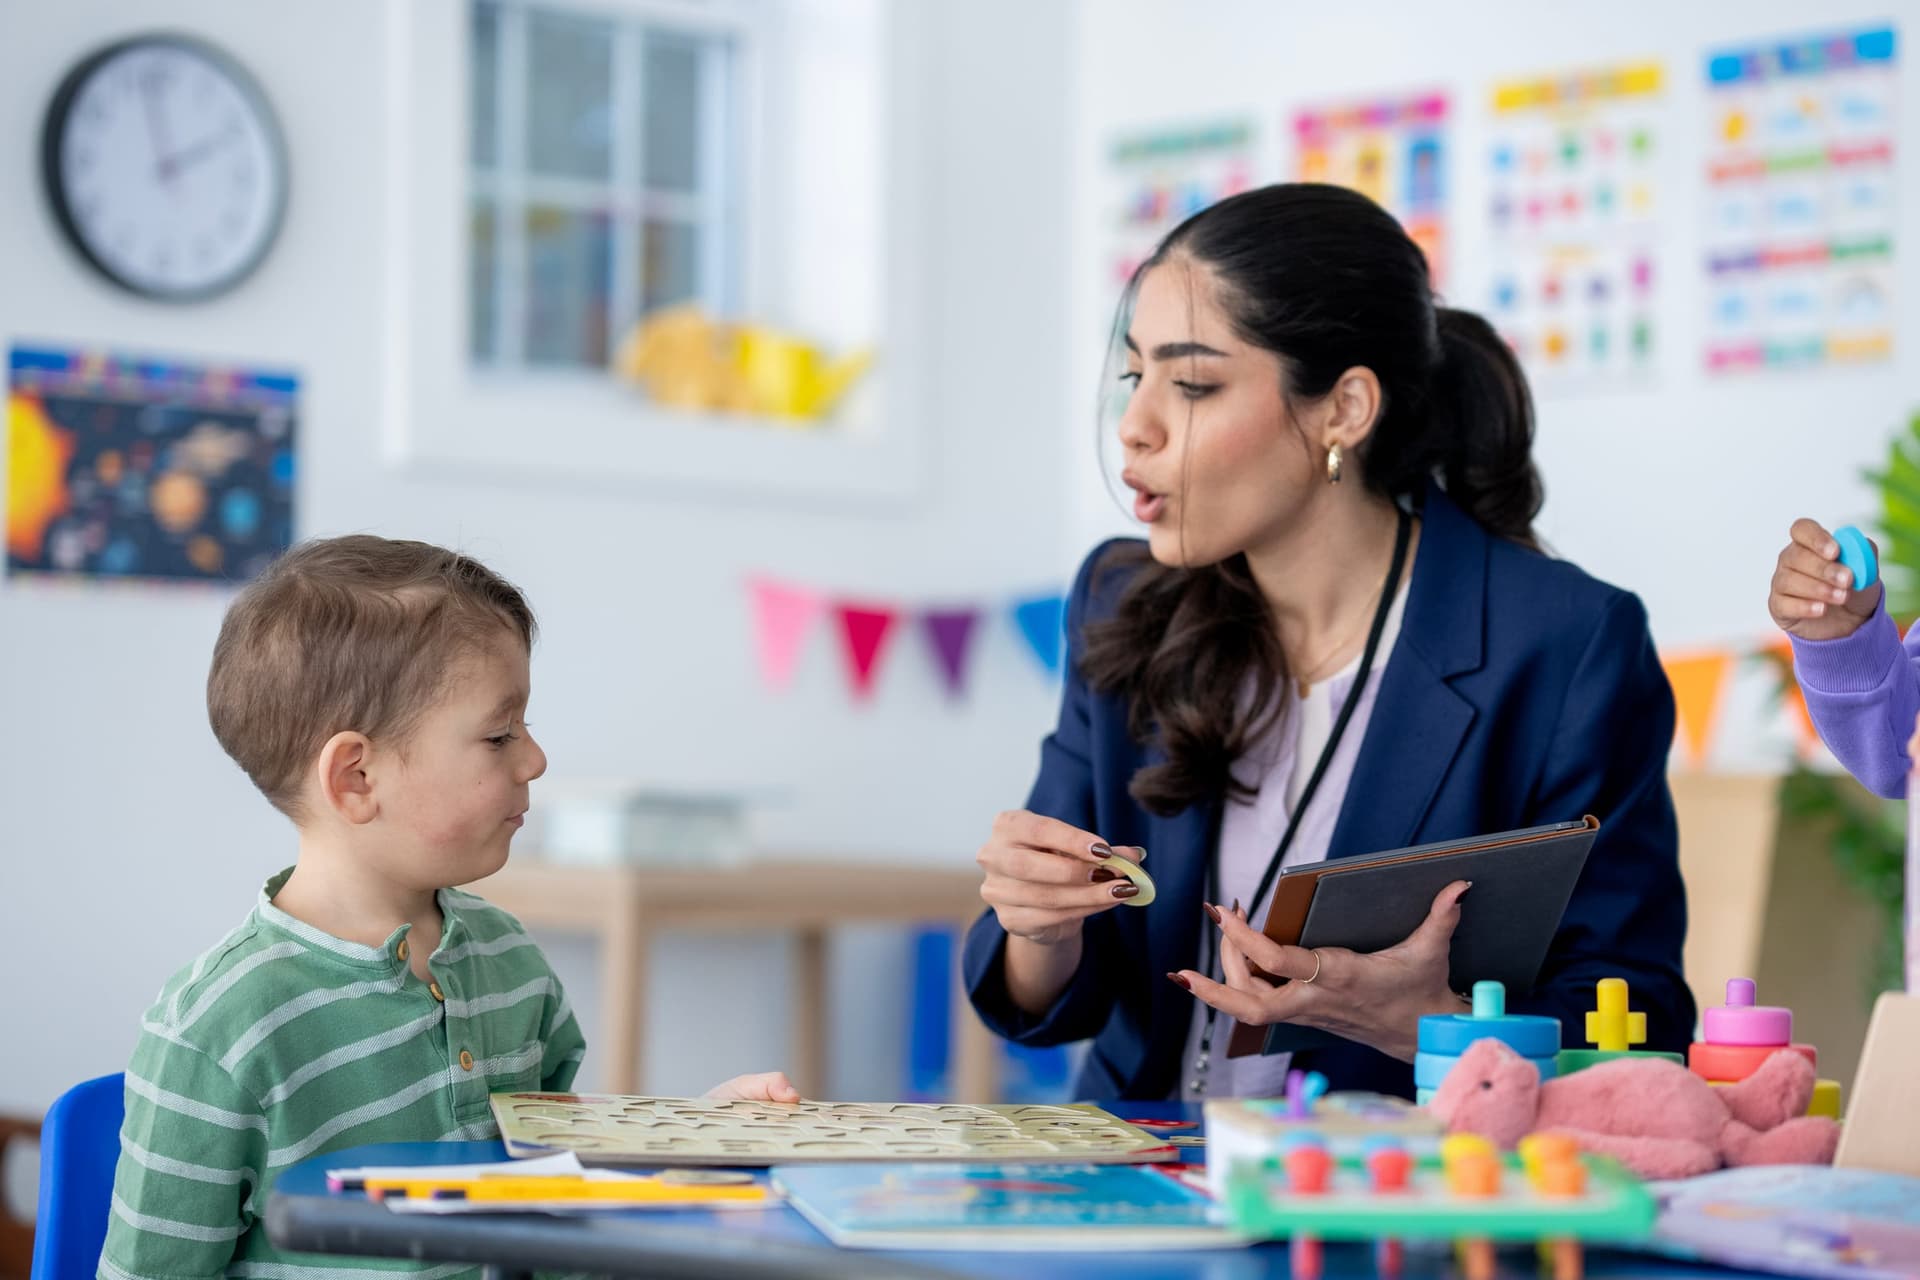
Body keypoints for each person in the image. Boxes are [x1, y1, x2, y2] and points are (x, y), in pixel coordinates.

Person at [964, 183, 1694, 1101]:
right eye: (1133, 375)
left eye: (1191, 384)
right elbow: (1052, 996)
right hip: (1138, 1182)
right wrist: (1039, 928)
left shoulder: (1563, 644)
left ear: (1344, 410)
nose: (1134, 428)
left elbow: (1643, 1021)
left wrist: (1438, 1026)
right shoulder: (1123, 602)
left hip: (1391, 1204)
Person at [102, 536, 797, 1280]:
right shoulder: (219, 1030)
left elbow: (556, 1192)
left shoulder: (506, 957)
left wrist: (685, 1141)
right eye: (500, 734)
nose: (534, 759)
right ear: (357, 775)